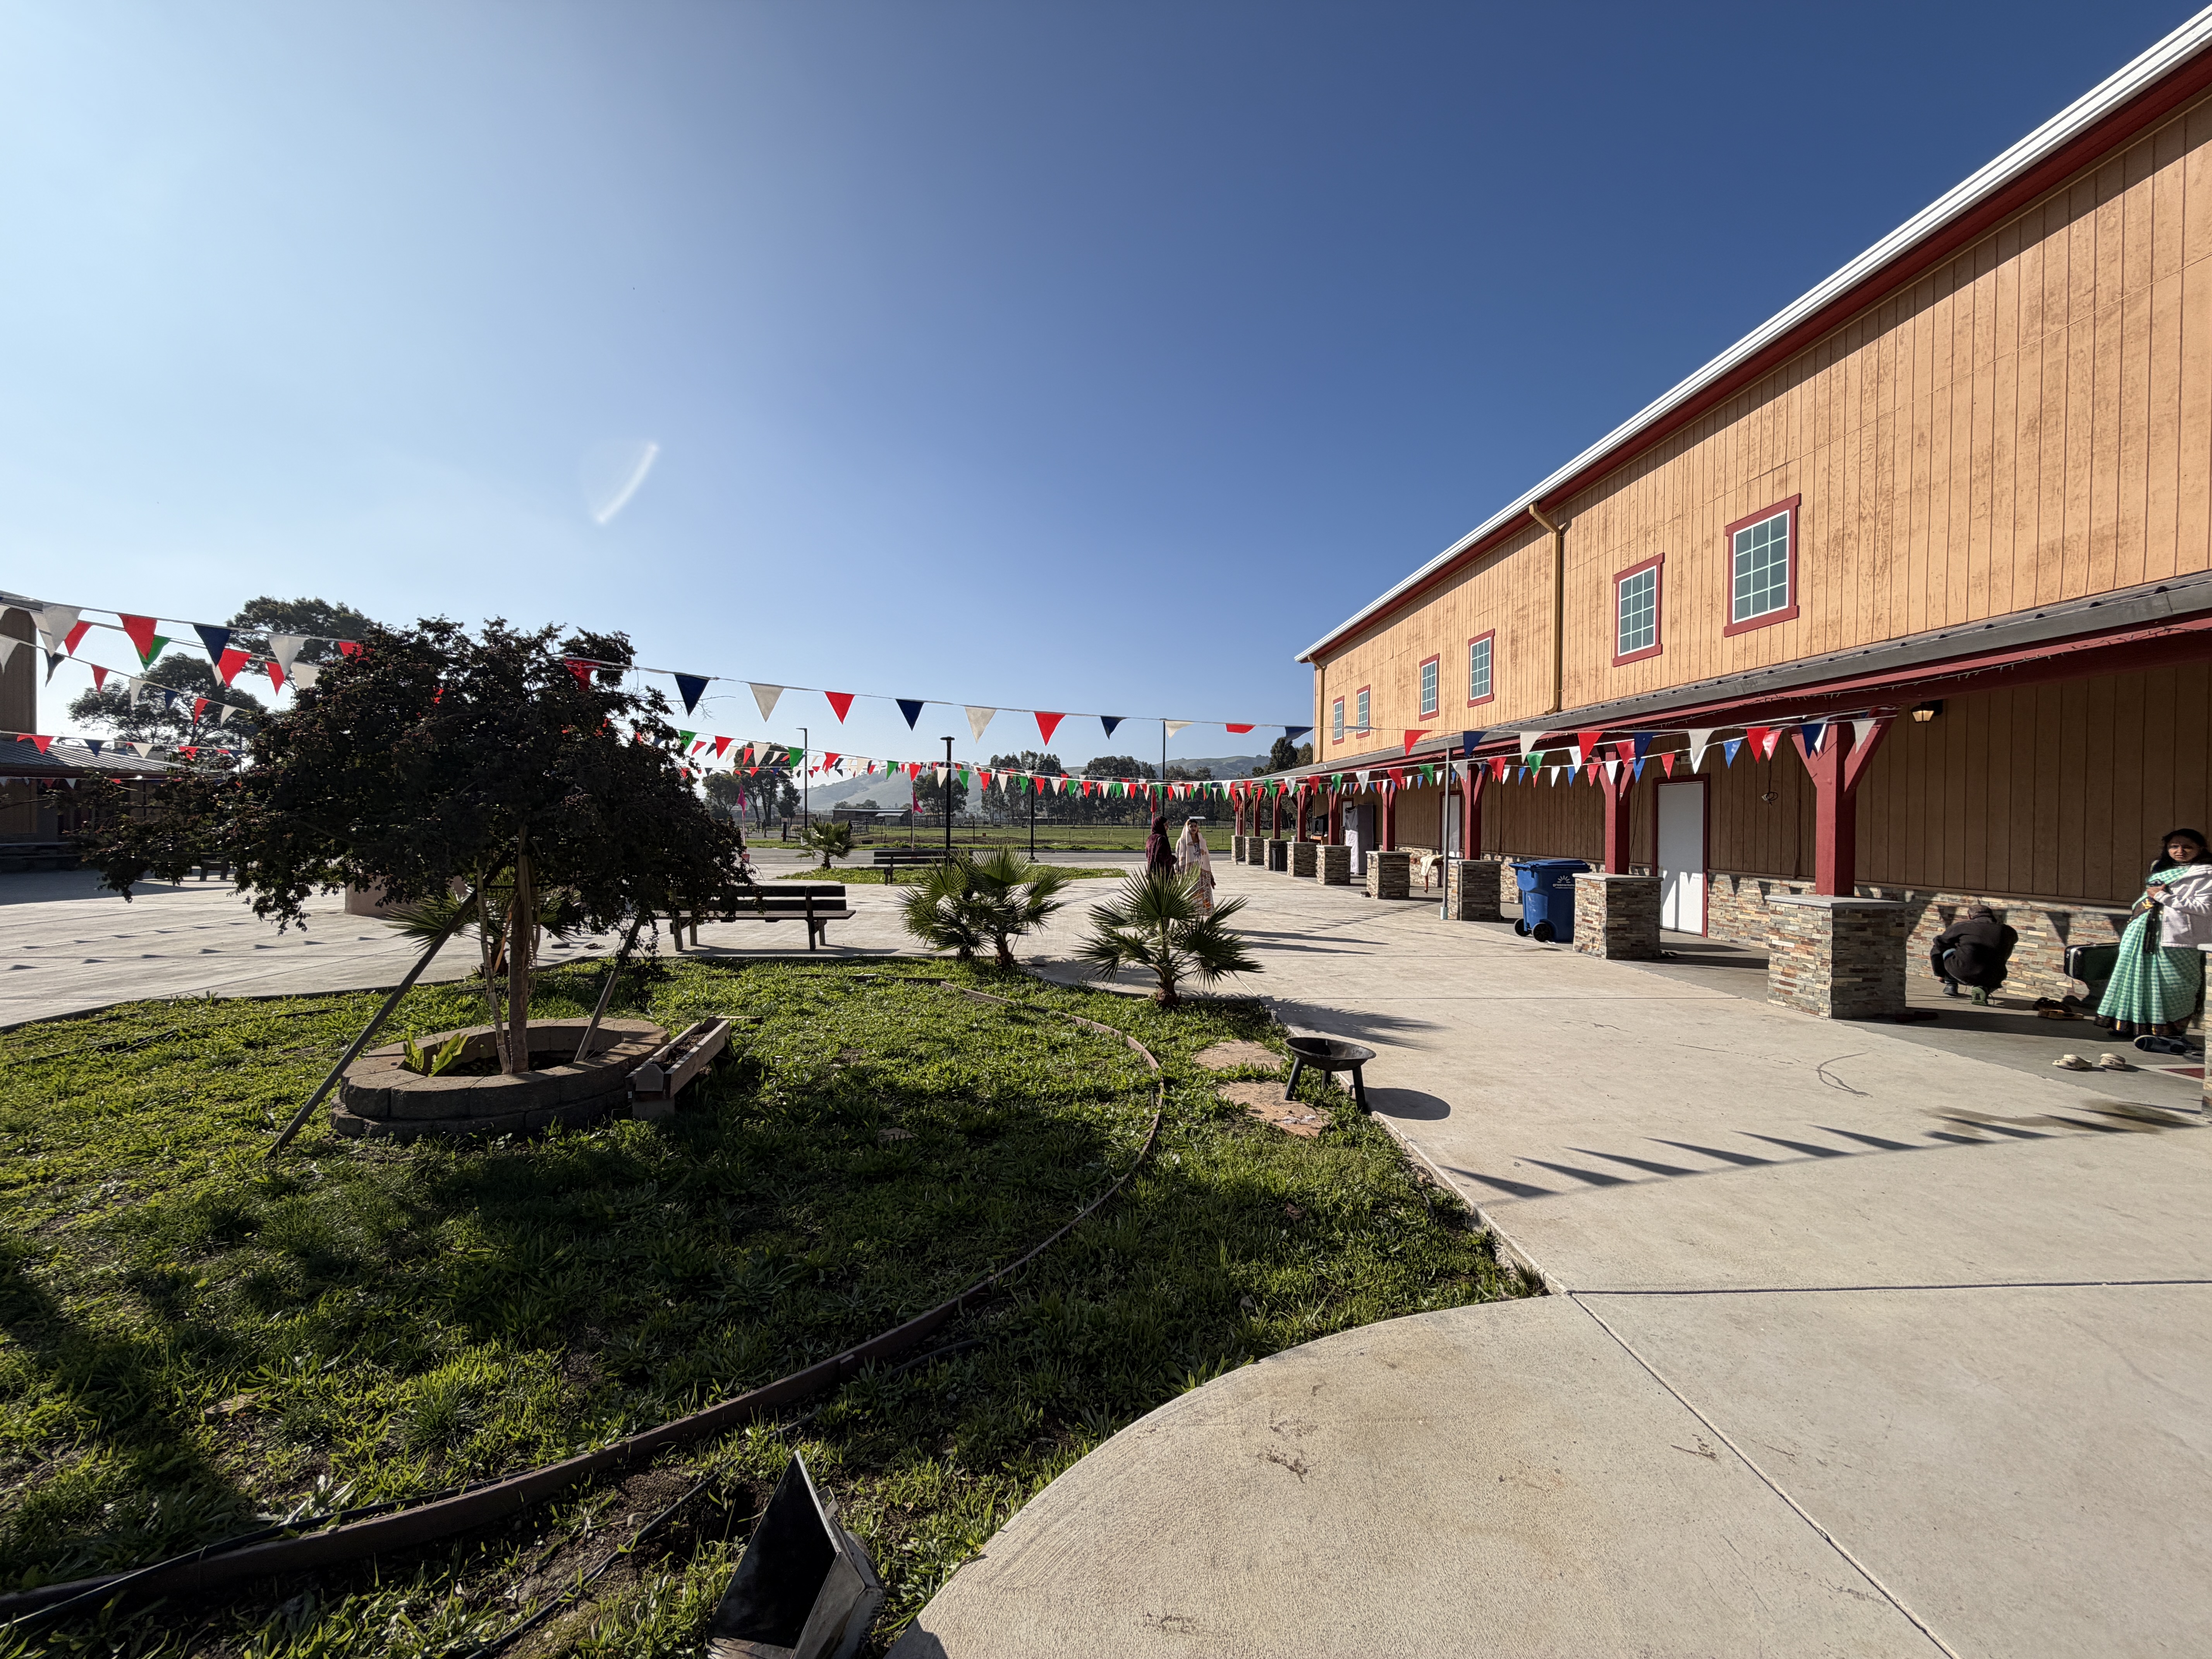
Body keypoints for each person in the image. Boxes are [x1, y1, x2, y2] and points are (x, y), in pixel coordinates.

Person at [2096, 828, 2212, 1041]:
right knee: (2135, 978)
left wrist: (2164, 897)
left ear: (2200, 849)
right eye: (2174, 847)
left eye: (2187, 847)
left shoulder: (2206, 874)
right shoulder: (2160, 872)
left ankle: (2170, 1030)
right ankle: (2132, 1027)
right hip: (2143, 933)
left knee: (2177, 984)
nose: (2180, 851)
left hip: (2179, 938)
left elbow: (2206, 909)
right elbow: (2145, 900)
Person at [1929, 905, 2018, 1004]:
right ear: (1992, 915)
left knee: (1944, 948)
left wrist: (1940, 973)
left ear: (1970, 916)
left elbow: (1939, 944)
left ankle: (1951, 984)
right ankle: (1983, 988)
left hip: (1963, 971)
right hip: (1996, 976)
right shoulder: (2009, 931)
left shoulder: (1962, 927)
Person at [1176, 819, 1216, 912]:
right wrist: (1178, 872)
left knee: (1204, 894)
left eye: (1195, 826)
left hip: (1203, 874)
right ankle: (1189, 914)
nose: (1193, 828)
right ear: (1187, 828)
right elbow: (1179, 858)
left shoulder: (1202, 841)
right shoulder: (1182, 841)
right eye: (1191, 826)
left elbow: (1206, 858)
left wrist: (1210, 875)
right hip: (1189, 874)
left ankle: (1205, 915)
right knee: (1190, 894)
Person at [1143, 815, 1177, 880]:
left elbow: (1148, 855)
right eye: (1166, 825)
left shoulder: (1150, 838)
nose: (1168, 827)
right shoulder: (1162, 839)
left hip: (1152, 871)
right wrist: (1173, 859)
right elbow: (1164, 857)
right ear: (1160, 826)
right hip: (1163, 873)